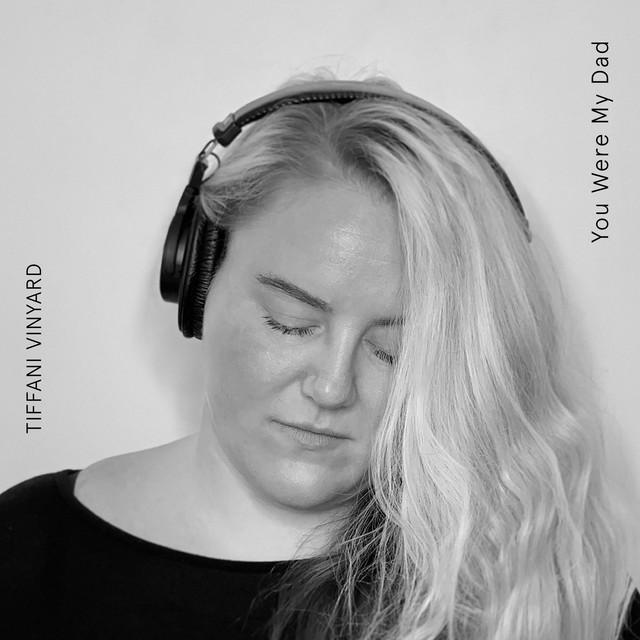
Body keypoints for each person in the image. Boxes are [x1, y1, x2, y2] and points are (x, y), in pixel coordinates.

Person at [1, 71, 638, 640]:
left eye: (394, 351)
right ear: (196, 280)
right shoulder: (22, 551)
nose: (332, 389)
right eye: (291, 324)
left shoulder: (556, 596)